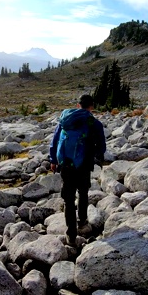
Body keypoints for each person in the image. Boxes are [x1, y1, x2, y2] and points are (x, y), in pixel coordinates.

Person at [49, 94, 106, 246]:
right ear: (91, 106)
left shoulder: (65, 119)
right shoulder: (93, 122)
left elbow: (55, 140)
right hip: (84, 165)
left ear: (78, 105)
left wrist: (53, 160)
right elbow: (101, 147)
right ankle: (82, 222)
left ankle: (71, 235)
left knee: (68, 199)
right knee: (83, 192)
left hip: (65, 164)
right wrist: (98, 157)